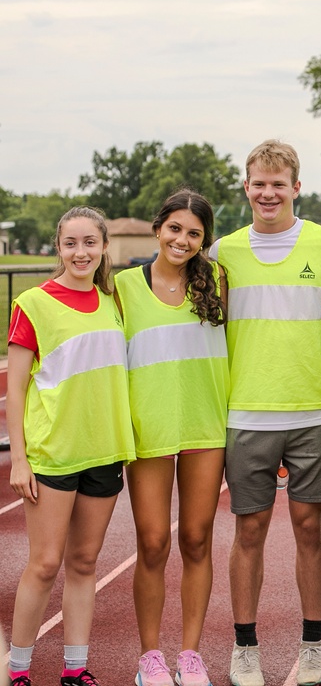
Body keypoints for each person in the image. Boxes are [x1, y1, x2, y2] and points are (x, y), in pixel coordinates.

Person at [210, 139, 321, 686]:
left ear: (297, 187)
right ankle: (245, 647)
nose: (268, 193)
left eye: (279, 183)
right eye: (259, 183)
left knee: (309, 528)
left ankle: (313, 643)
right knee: (248, 532)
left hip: (314, 412)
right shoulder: (224, 251)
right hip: (246, 413)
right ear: (246, 187)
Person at [6, 207, 136, 686]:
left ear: (103, 246)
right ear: (58, 247)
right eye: (70, 244)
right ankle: (18, 671)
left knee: (84, 563)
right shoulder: (33, 303)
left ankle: (75, 668)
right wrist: (20, 459)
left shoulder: (114, 302)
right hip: (52, 455)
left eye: (89, 243)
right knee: (43, 564)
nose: (80, 252)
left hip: (104, 451)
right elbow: (16, 389)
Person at [115, 190, 229, 686]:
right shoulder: (122, 286)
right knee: (154, 541)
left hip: (206, 424)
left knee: (197, 538)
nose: (183, 240)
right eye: (175, 228)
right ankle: (150, 658)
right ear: (157, 228)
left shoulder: (218, 280)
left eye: (194, 233)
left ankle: (191, 654)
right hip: (149, 429)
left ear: (205, 240)